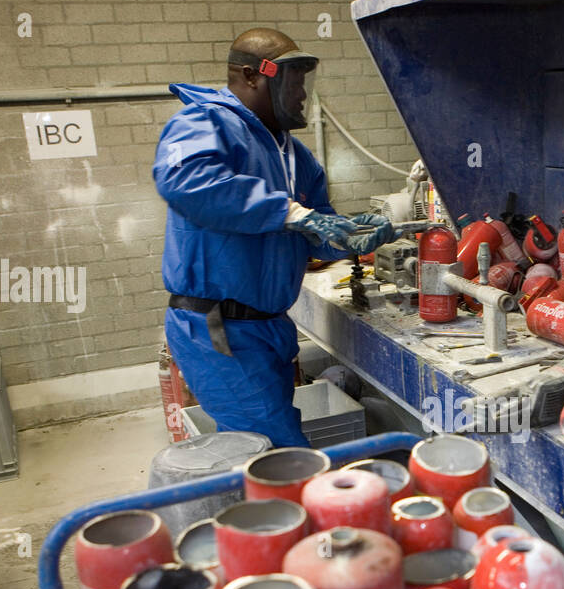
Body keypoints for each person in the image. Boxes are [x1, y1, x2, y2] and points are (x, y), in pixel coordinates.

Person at [152, 27, 395, 446]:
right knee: (279, 454)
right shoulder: (205, 122)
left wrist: (350, 234)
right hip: (218, 330)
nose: (302, 94)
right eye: (292, 81)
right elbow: (184, 179)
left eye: (304, 81)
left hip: (270, 328)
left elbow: (316, 228)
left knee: (261, 448)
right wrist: (290, 212)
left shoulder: (295, 155)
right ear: (251, 77)